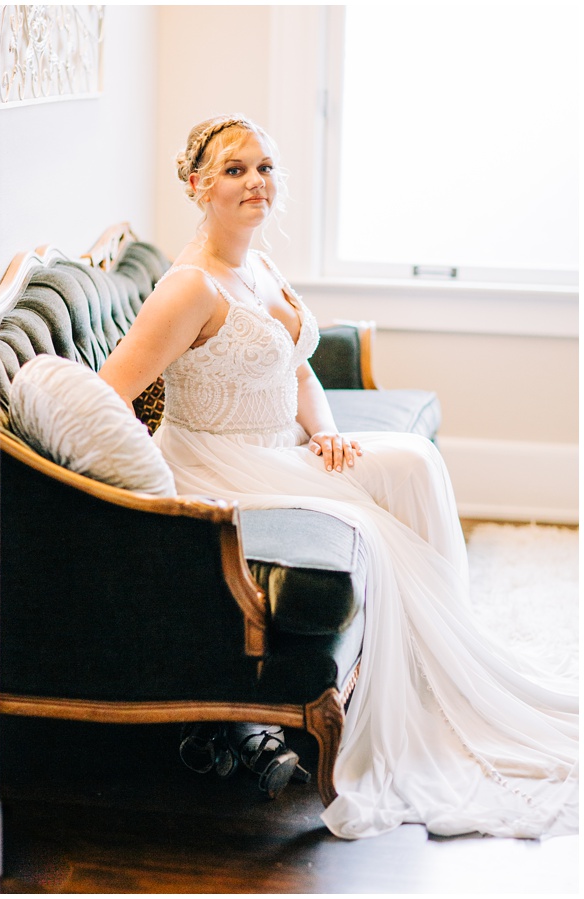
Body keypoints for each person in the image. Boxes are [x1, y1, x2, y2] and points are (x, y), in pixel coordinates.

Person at [97, 114, 578, 839]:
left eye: (264, 167)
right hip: (222, 463)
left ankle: (444, 669)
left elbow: (299, 370)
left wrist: (324, 433)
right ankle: (426, 698)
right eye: (234, 169)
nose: (255, 181)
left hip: (287, 443)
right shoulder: (188, 288)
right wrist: (147, 480)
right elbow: (109, 391)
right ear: (198, 186)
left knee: (416, 464)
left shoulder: (258, 265)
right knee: (383, 522)